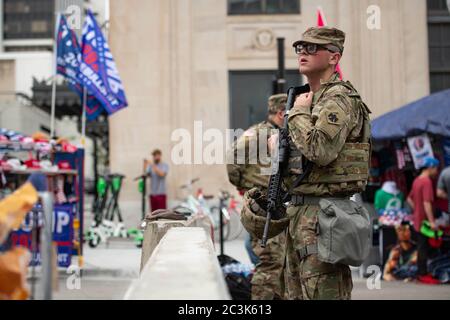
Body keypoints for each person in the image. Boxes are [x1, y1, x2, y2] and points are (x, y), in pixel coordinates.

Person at [278, 27, 372, 300]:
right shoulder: (307, 98)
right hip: (299, 213)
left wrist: (297, 113)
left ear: (334, 57)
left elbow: (320, 150)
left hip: (325, 216)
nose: (303, 53)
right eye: (300, 48)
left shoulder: (338, 97)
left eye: (312, 48)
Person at [226, 94, 288, 300]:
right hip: (264, 203)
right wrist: (244, 186)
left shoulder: (276, 133)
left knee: (277, 260)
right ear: (281, 113)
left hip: (274, 203)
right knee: (270, 260)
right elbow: (233, 159)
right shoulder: (259, 134)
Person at [407, 156, 441, 284]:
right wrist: (432, 222)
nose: (437, 171)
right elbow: (427, 203)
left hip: (417, 220)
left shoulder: (417, 180)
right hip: (424, 222)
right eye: (436, 168)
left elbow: (409, 199)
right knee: (424, 248)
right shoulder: (426, 182)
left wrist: (417, 210)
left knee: (421, 247)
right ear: (430, 167)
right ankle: (423, 274)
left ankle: (421, 273)